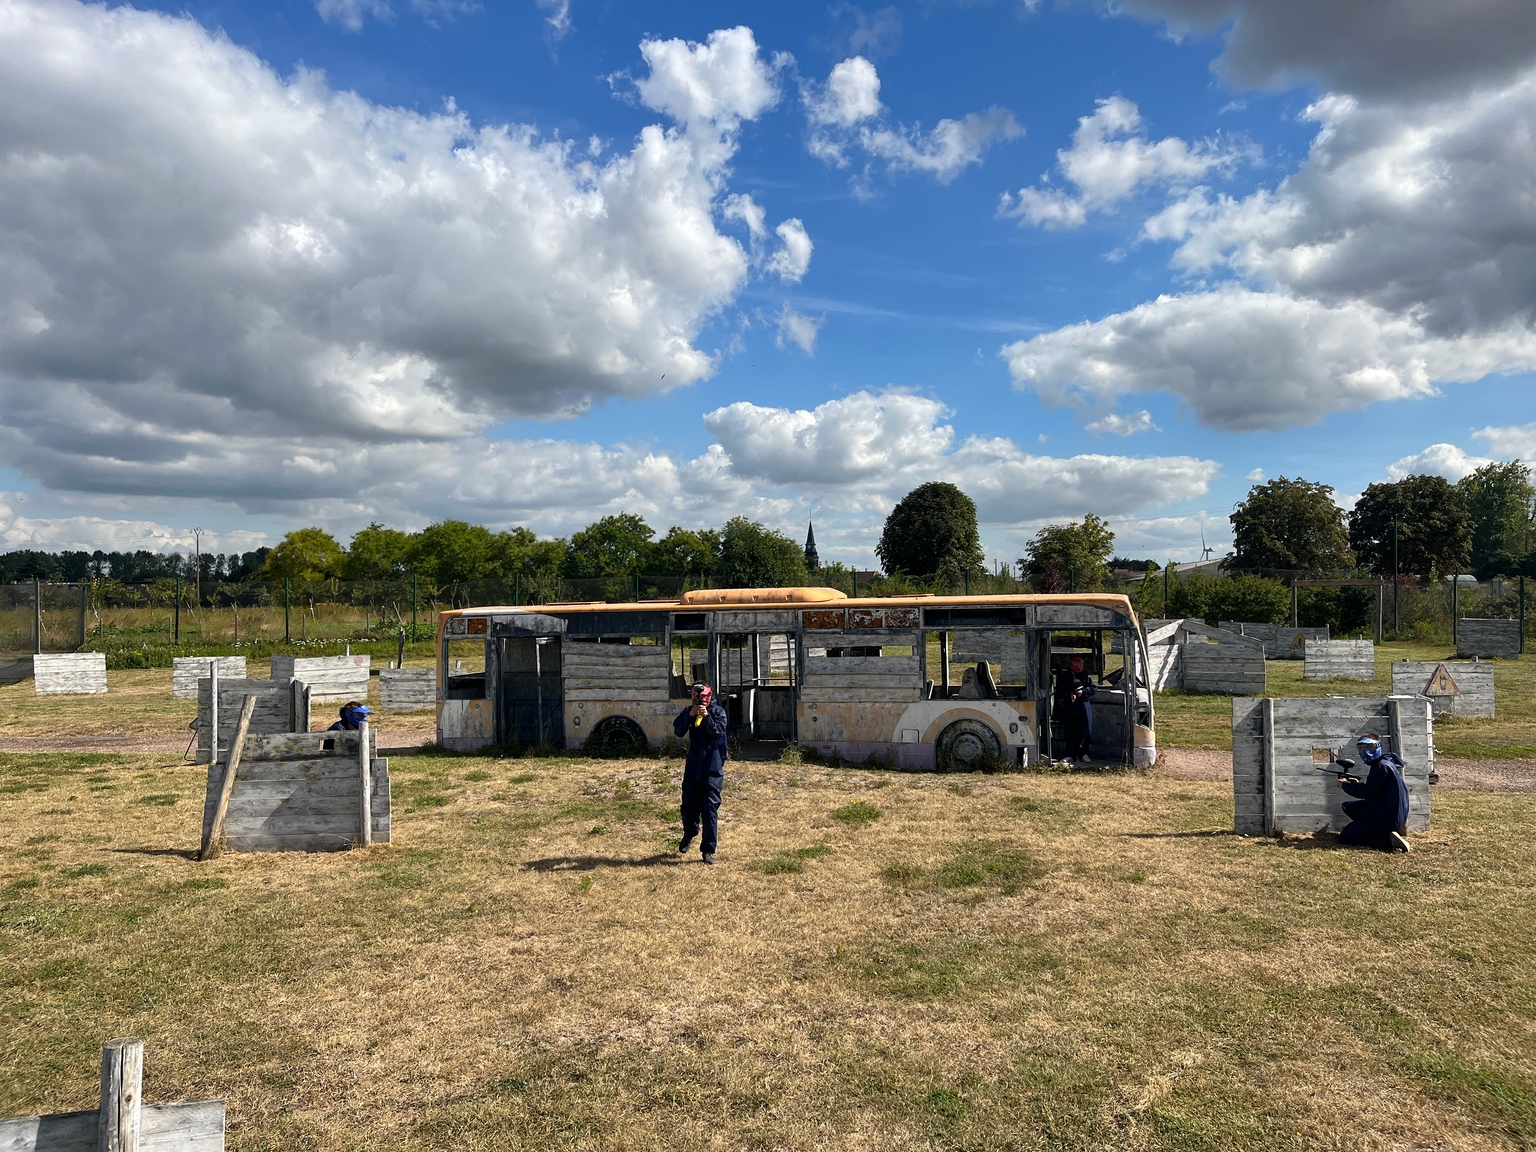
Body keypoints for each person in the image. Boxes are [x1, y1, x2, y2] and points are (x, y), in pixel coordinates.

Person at [672, 683, 728, 865]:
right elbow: (678, 731)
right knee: (688, 808)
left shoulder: (718, 712)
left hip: (712, 769)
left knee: (710, 810)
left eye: (704, 697)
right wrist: (690, 716)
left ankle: (708, 851)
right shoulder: (689, 711)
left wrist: (707, 717)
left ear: (709, 696)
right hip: (693, 768)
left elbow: (717, 732)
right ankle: (690, 832)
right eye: (697, 697)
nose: (701, 701)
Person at [1337, 734, 1411, 853]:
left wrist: (1345, 785)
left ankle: (1387, 841)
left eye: (1369, 747)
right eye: (1361, 748)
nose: (1365, 752)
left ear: (1378, 747)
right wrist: (1356, 784)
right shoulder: (1383, 763)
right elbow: (1376, 790)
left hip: (1386, 819)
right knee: (1348, 806)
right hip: (1386, 812)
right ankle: (1374, 831)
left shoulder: (1382, 767)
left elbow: (1369, 793)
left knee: (1344, 837)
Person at [1054, 655, 1096, 762]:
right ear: (1071, 664)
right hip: (1070, 706)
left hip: (1084, 705)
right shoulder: (1065, 677)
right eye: (1076, 664)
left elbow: (1094, 688)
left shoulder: (1086, 676)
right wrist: (1070, 694)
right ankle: (1069, 754)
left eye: (1081, 664)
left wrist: (1084, 692)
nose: (1079, 666)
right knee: (1070, 729)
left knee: (1085, 730)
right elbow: (1060, 691)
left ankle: (1083, 753)